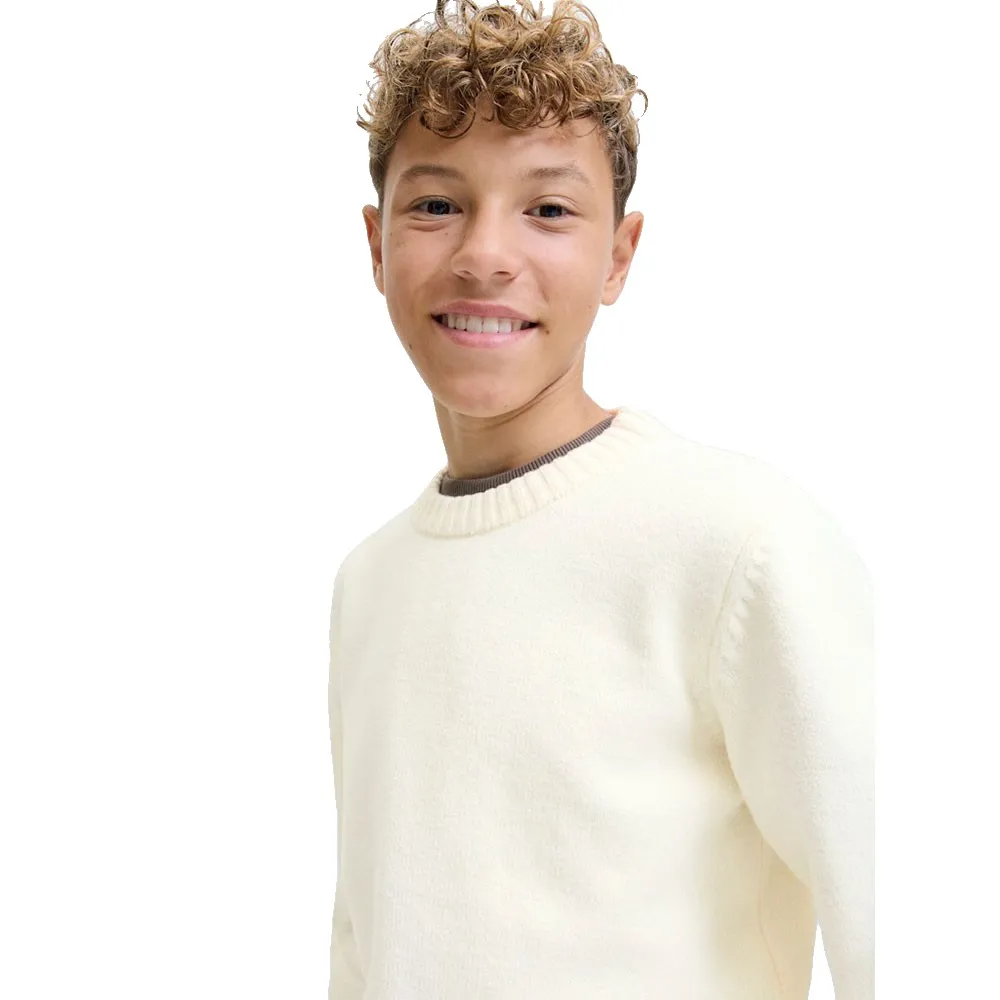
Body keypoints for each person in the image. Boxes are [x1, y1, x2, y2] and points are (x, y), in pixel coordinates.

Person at [328, 2, 874, 998]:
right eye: (437, 204)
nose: (486, 255)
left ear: (619, 255)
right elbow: (367, 944)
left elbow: (894, 907)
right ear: (375, 243)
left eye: (547, 210)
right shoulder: (368, 584)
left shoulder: (738, 543)